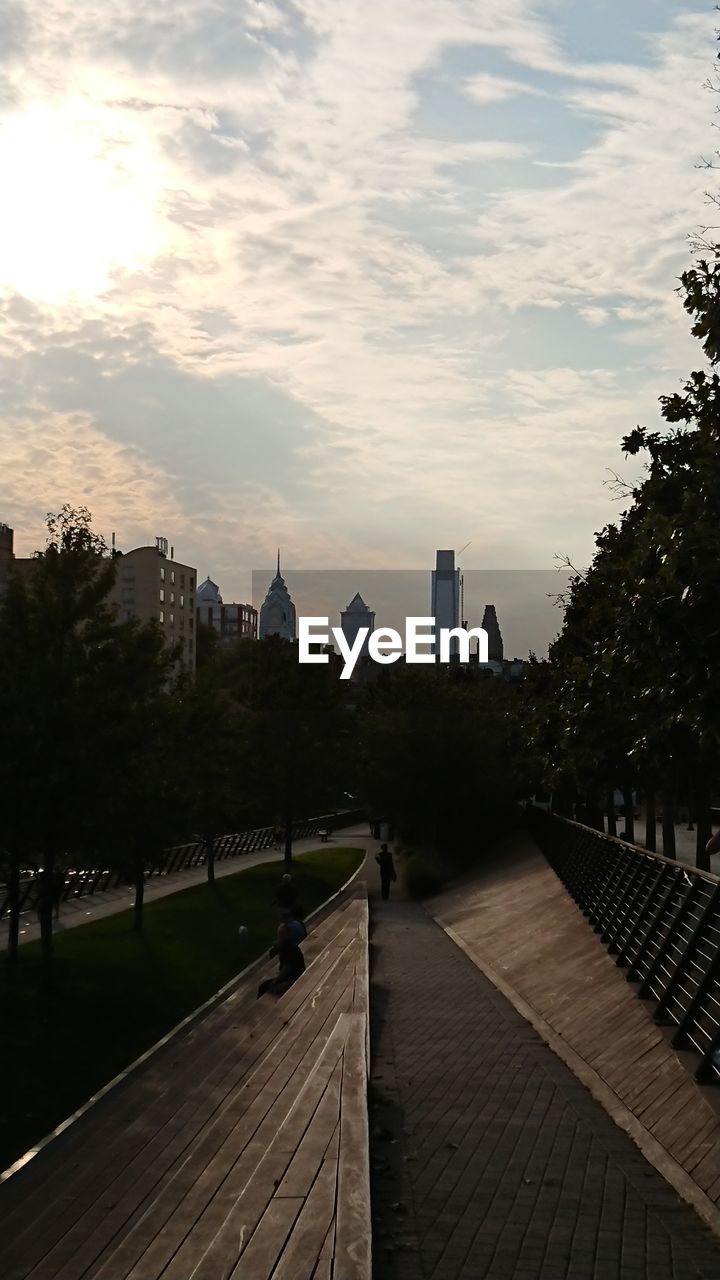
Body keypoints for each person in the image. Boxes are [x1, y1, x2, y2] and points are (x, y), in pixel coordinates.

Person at [257, 923, 305, 998]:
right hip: (288, 976)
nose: (280, 937)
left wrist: (275, 981)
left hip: (295, 978)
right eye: (279, 935)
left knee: (272, 989)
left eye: (282, 935)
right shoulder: (284, 946)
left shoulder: (291, 949)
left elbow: (287, 969)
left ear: (288, 935)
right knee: (263, 986)